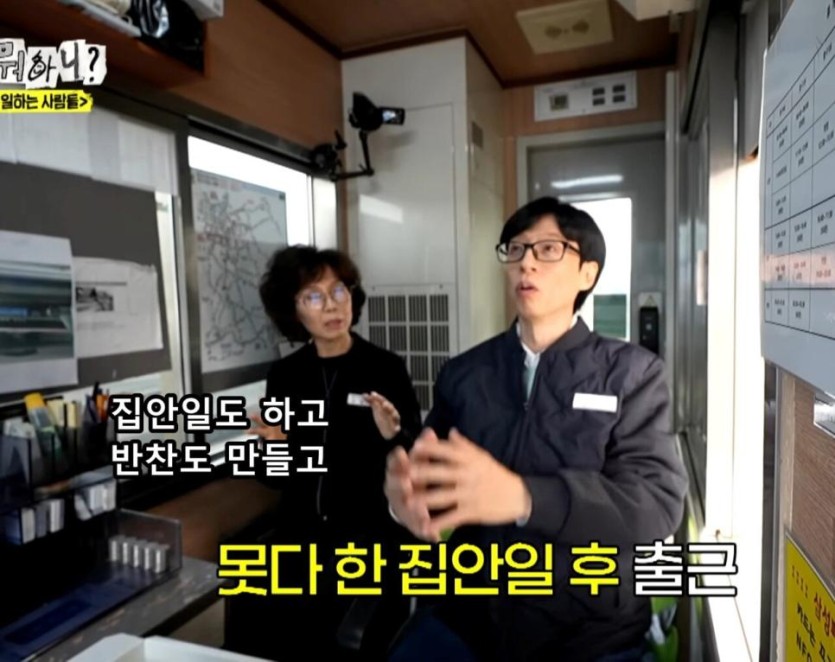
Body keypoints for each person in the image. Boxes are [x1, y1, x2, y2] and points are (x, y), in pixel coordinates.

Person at [384, 197, 689, 662]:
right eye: (516, 249)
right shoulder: (465, 373)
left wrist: (527, 498)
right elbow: (434, 476)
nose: (526, 262)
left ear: (587, 274)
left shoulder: (631, 374)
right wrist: (403, 501)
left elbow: (655, 504)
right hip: (469, 620)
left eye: (548, 250)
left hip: (590, 633)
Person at [244, 245, 423, 661]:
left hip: (370, 541)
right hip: (301, 541)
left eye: (338, 290)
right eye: (313, 296)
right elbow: (275, 479)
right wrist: (274, 448)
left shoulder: (385, 367)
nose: (331, 305)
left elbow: (413, 461)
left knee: (358, 647)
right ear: (293, 310)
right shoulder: (285, 376)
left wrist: (393, 436)